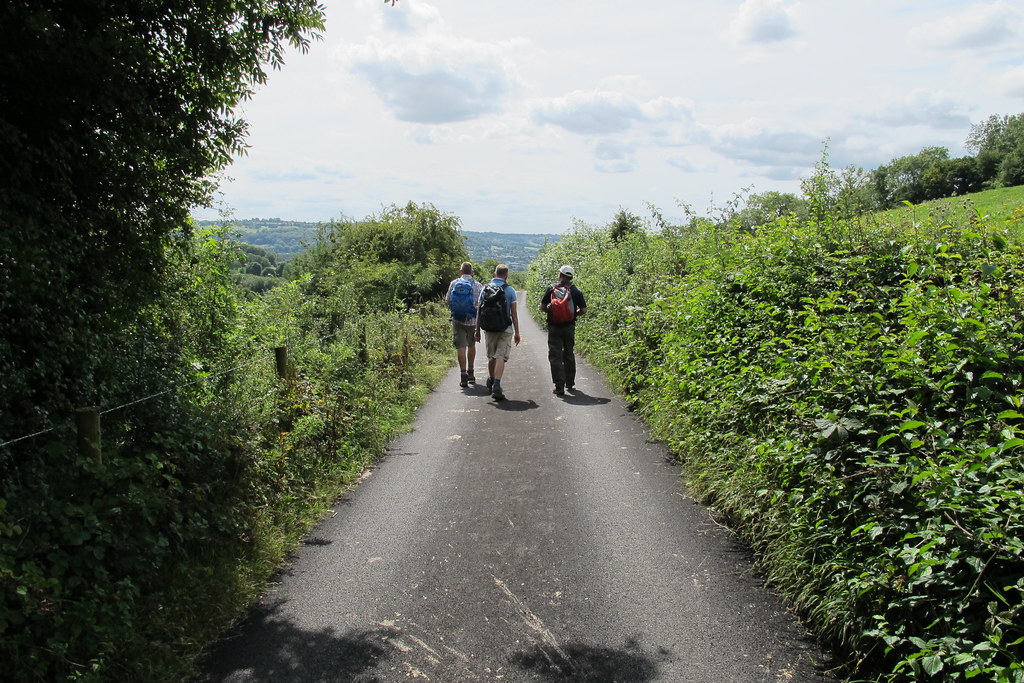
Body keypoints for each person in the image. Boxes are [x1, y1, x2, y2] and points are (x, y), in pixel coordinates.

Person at [474, 264, 521, 401]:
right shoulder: (511, 290)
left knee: (492, 357)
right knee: (501, 356)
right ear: (506, 275)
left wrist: (477, 330)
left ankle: (492, 379)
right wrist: (517, 332)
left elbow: (479, 311)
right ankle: (496, 385)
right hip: (505, 328)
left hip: (489, 328)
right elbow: (514, 313)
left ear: (495, 274)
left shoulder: (485, 289)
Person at [539, 264, 587, 396]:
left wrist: (552, 311)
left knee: (555, 355)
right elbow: (583, 310)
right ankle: (570, 382)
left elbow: (542, 307)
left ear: (560, 275)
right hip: (569, 327)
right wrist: (573, 314)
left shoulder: (551, 289)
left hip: (554, 327)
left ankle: (559, 386)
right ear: (571, 277)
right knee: (569, 353)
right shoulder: (576, 291)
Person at [445, 262, 484, 388]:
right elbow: (481, 304)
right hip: (473, 320)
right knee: (471, 345)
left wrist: (456, 311)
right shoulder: (478, 285)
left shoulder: (454, 283)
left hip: (458, 320)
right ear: (472, 272)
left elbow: (448, 300)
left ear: (460, 271)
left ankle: (463, 376)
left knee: (461, 347)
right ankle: (471, 373)